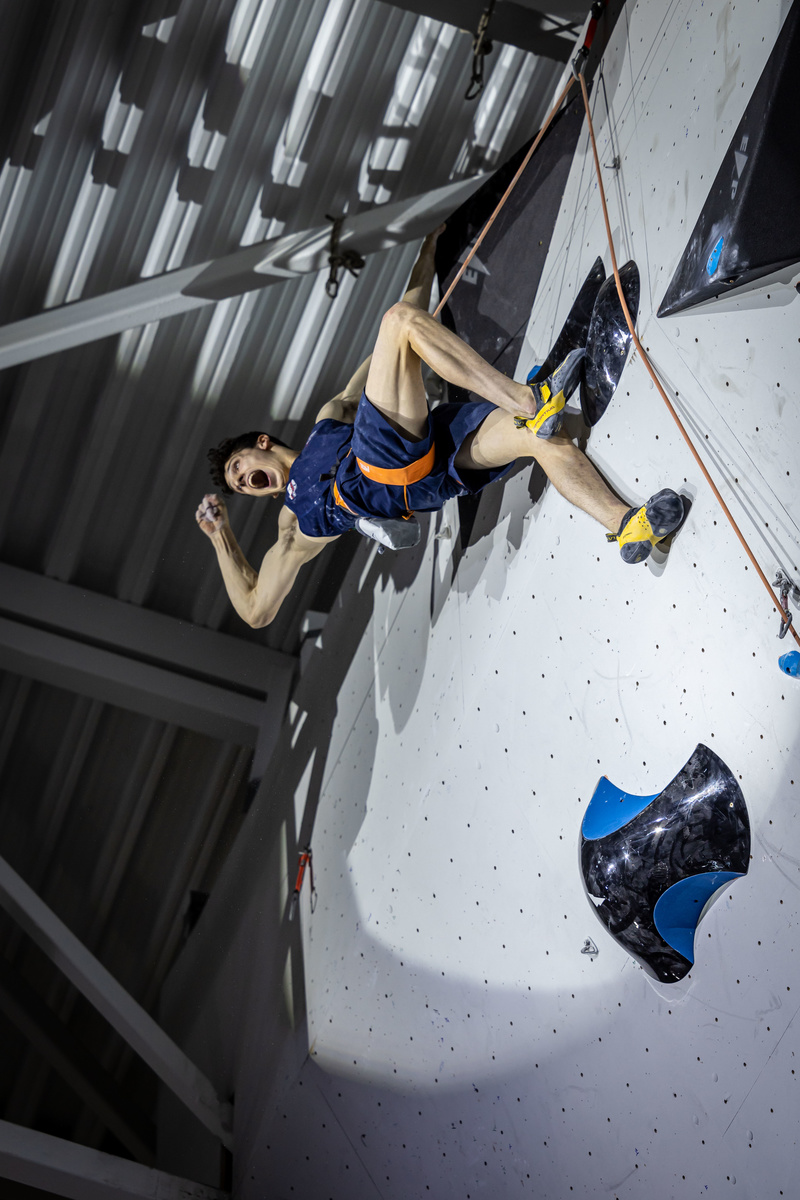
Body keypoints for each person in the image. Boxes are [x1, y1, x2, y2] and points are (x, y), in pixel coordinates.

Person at [196, 228, 684, 628]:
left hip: (428, 455)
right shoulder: (291, 523)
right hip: (382, 474)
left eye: (239, 468)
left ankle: (626, 525)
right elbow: (256, 611)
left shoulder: (329, 418)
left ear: (262, 443)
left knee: (536, 439)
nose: (244, 482)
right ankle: (527, 399)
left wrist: (428, 252)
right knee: (400, 325)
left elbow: (405, 322)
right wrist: (221, 536)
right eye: (241, 487)